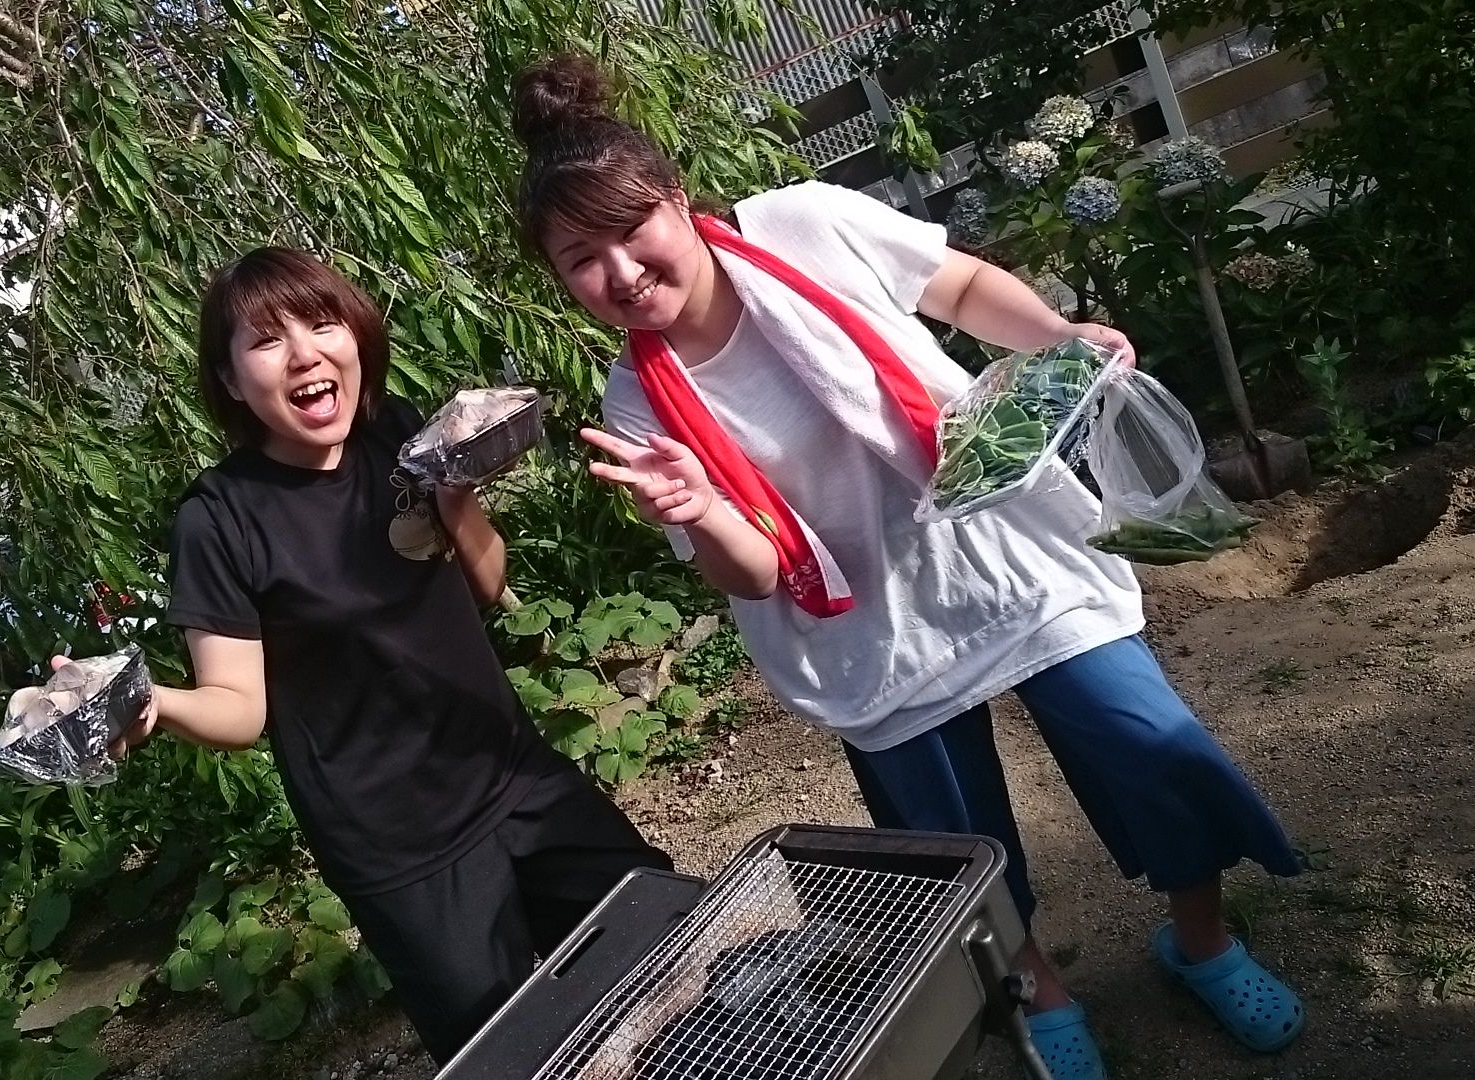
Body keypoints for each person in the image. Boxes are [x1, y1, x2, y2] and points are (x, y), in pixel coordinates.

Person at [508, 53, 1304, 1078]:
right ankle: (1039, 994)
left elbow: (957, 284)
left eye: (632, 230)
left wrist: (1056, 337)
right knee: (951, 837)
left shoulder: (799, 225)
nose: (619, 272)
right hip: (869, 629)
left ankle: (1201, 942)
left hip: (994, 544)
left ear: (674, 196)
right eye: (581, 259)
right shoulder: (636, 405)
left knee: (1149, 744)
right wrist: (700, 511)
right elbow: (753, 578)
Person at [82, 246, 669, 1064]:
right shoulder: (218, 520)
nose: (304, 355)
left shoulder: (396, 432)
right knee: (506, 1051)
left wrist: (457, 494)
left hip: (509, 770)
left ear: (356, 335)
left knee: (658, 925)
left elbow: (490, 583)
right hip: (401, 847)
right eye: (267, 341)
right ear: (229, 380)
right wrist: (154, 705)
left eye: (322, 324)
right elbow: (239, 708)